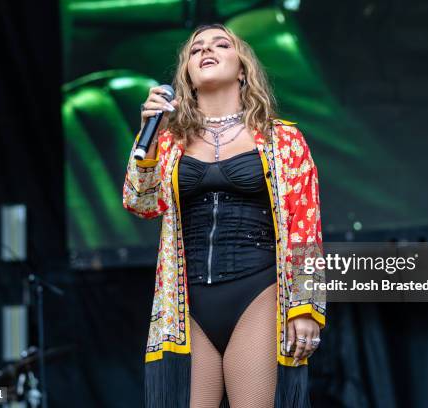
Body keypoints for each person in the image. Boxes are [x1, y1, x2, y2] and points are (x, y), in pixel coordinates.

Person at [123, 23, 326, 408]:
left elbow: (305, 225)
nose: (206, 50)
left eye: (220, 44)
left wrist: (306, 306)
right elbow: (140, 202)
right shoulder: (166, 140)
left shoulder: (282, 139)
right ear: (187, 75)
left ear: (243, 69)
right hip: (187, 302)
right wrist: (148, 137)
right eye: (196, 49)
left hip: (257, 289)